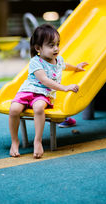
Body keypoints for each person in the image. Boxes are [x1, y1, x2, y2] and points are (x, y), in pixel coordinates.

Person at [9, 24, 88, 159]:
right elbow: (44, 80)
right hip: (27, 90)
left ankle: (37, 141)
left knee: (39, 108)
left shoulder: (58, 60)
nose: (56, 48)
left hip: (43, 94)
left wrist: (76, 68)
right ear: (38, 48)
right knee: (14, 109)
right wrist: (64, 87)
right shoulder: (36, 61)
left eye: (57, 44)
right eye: (51, 45)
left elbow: (65, 65)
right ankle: (15, 141)